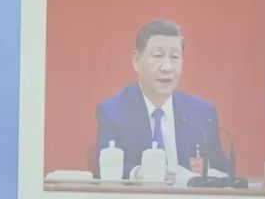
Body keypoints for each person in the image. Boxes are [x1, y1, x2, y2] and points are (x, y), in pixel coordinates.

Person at [95, 19, 229, 180]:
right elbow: (104, 165)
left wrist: (213, 177)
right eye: (158, 56)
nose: (167, 67)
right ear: (136, 61)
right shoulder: (114, 111)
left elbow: (222, 169)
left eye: (175, 57)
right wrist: (138, 173)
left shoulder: (202, 113)